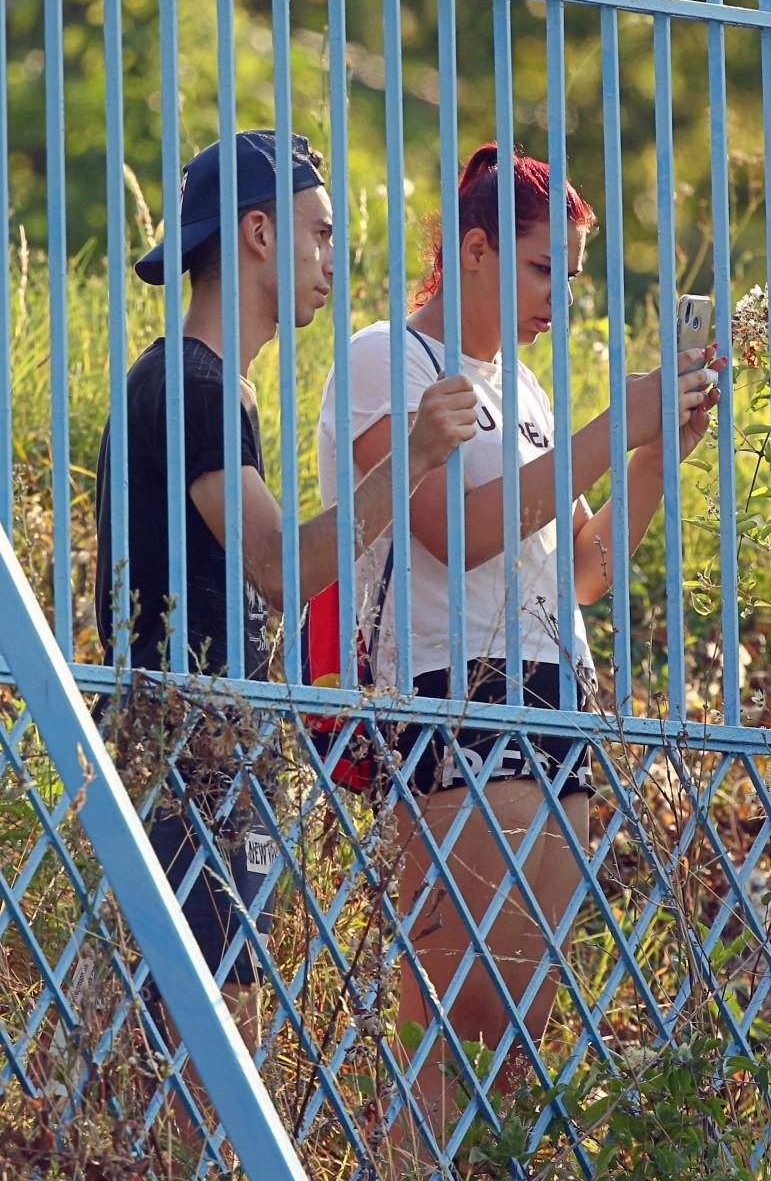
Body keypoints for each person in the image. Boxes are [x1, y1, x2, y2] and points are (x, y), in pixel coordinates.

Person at [317, 143, 725, 1153]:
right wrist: (610, 425)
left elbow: (582, 569)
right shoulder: (386, 358)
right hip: (452, 687)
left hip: (553, 696)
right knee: (452, 1023)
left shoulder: (528, 389)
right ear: (475, 249)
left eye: (569, 276)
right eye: (544, 268)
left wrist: (652, 453)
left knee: (518, 1036)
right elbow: (451, 533)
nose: (558, 296)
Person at [93, 129, 477, 1144]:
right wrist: (413, 455)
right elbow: (278, 566)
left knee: (224, 1016)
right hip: (190, 743)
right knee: (210, 1032)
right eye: (319, 232)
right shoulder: (191, 383)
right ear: (257, 233)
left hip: (217, 743)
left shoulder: (219, 386)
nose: (331, 257)